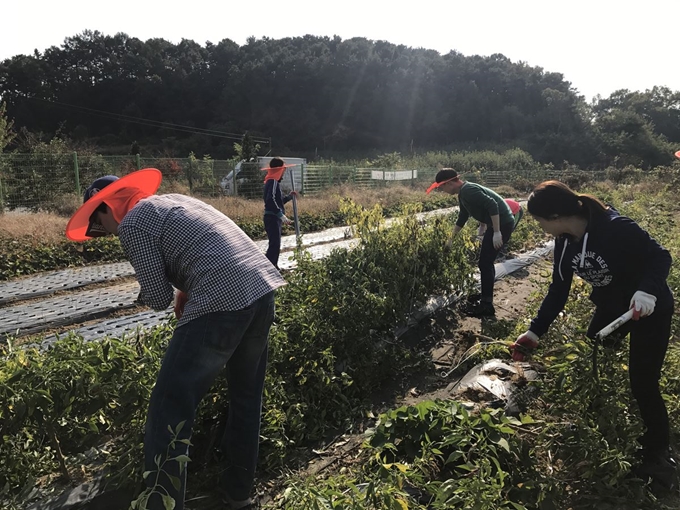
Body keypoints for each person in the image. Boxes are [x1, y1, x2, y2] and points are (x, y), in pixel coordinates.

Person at [65, 169, 286, 510]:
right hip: (261, 290)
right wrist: (187, 286)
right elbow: (205, 247)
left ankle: (161, 505)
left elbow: (156, 296)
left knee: (170, 407)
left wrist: (147, 293)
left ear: (108, 207)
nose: (106, 233)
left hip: (220, 301)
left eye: (100, 223)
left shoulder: (133, 223)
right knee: (246, 397)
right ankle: (239, 495)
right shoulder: (176, 201)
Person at [509, 180, 676, 490]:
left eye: (540, 220)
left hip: (647, 308)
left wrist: (647, 291)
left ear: (555, 216)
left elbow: (661, 257)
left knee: (643, 381)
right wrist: (534, 332)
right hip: (614, 308)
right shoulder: (565, 242)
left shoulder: (615, 228)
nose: (541, 226)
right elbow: (558, 291)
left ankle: (658, 455)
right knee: (593, 355)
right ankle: (603, 416)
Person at [426, 168, 516, 317]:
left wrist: (497, 232)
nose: (442, 191)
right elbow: (463, 216)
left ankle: (487, 306)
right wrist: (451, 238)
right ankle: (485, 298)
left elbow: (492, 205)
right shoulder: (463, 193)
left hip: (502, 223)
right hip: (497, 224)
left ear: (450, 183)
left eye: (441, 187)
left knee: (485, 263)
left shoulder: (468, 190)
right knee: (486, 262)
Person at [262, 157, 298, 270]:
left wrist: (289, 197)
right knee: (275, 244)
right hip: (272, 217)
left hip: (274, 218)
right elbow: (270, 200)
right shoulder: (272, 182)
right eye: (283, 170)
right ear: (279, 170)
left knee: (275, 244)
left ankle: (272, 267)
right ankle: (270, 268)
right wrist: (280, 215)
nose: (283, 173)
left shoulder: (273, 182)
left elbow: (278, 200)